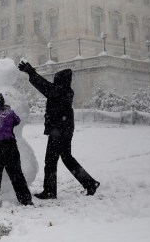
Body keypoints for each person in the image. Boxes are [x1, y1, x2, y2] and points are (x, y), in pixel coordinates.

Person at [18, 59, 100, 199]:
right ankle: (89, 183)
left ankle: (50, 191)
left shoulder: (61, 91)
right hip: (64, 130)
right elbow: (48, 88)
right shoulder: (65, 91)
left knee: (50, 160)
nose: (54, 81)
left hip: (59, 131)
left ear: (61, 80)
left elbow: (46, 87)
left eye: (56, 79)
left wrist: (31, 72)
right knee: (67, 158)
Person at [0, 92, 34, 209]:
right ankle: (25, 199)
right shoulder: (9, 113)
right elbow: (17, 121)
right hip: (9, 146)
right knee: (16, 174)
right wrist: (6, 109)